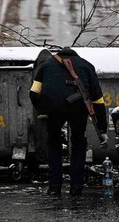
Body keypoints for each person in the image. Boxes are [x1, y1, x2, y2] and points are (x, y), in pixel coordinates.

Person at [29, 47, 108, 196]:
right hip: (78, 108)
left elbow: (33, 93)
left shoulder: (45, 65)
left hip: (52, 108)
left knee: (53, 143)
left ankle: (54, 187)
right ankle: (76, 187)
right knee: (78, 142)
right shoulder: (86, 65)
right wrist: (102, 129)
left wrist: (43, 111)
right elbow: (98, 100)